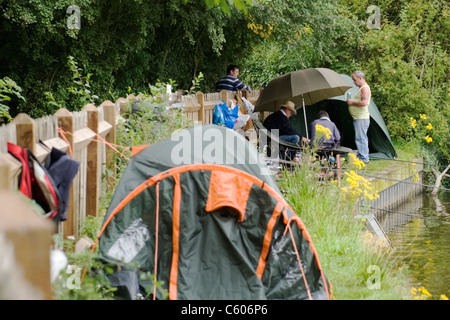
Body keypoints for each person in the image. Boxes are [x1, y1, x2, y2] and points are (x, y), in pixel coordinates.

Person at [346, 71, 371, 163]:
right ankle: (363, 157)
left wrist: (352, 102)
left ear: (361, 78)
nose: (354, 82)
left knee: (361, 138)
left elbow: (364, 103)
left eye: (355, 80)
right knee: (360, 138)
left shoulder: (365, 89)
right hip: (359, 118)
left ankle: (364, 159)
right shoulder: (361, 88)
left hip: (361, 118)